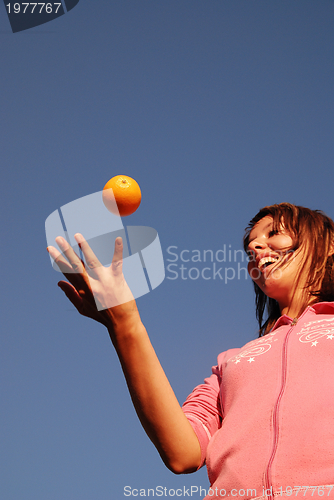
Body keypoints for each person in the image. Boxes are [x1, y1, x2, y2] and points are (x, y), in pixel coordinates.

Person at [47, 202, 334, 500]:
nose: (257, 246)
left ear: (328, 247)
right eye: (250, 248)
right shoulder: (232, 362)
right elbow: (183, 452)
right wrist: (125, 325)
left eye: (274, 233)